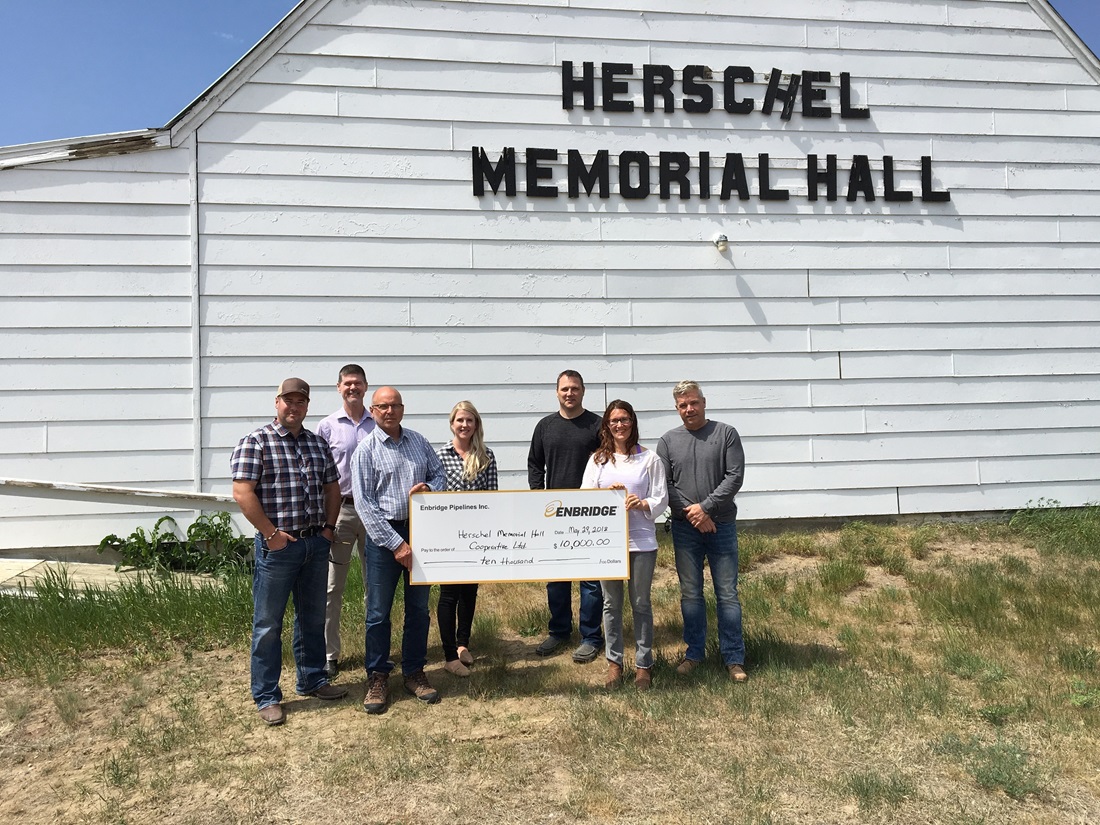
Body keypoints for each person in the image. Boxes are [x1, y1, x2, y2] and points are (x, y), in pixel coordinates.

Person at [231, 377, 348, 726]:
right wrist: (270, 534)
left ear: (307, 406)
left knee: (312, 617)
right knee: (268, 623)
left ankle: (312, 678)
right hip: (278, 548)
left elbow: (333, 487)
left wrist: (328, 529)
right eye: (288, 400)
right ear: (276, 402)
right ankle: (267, 695)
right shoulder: (257, 442)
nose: (293, 407)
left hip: (314, 542)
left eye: (300, 402)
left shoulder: (316, 443)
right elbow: (242, 493)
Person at [352, 386, 446, 714]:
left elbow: (440, 474)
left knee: (418, 609)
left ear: (402, 409)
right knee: (378, 613)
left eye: (394, 405)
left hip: (421, 532)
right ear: (373, 411)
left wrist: (430, 487)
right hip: (383, 539)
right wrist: (397, 544)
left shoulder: (419, 442)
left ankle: (414, 672)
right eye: (382, 406)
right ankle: (377, 676)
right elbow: (364, 504)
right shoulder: (365, 450)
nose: (389, 411)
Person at [656, 380, 748, 683]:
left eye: (693, 402)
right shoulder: (668, 441)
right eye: (683, 405)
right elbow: (665, 485)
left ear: (704, 402)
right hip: (685, 529)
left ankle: (734, 658)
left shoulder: (726, 434)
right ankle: (694, 653)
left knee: (727, 594)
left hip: (721, 525)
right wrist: (694, 515)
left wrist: (706, 508)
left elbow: (734, 477)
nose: (689, 409)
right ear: (676, 408)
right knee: (691, 595)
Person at [581, 400, 668, 690]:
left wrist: (642, 503)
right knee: (610, 604)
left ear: (633, 422)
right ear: (607, 425)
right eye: (614, 420)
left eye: (625, 419)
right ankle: (614, 663)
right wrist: (607, 495)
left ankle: (644, 665)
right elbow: (584, 496)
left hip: (641, 541)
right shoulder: (598, 461)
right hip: (608, 544)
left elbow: (660, 497)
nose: (620, 425)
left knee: (641, 603)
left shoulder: (650, 459)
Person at [527, 369, 603, 663]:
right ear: (556, 392)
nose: (569, 393)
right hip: (553, 513)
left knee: (590, 579)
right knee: (556, 577)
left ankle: (590, 636)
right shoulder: (545, 426)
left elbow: (608, 461)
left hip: (588, 512)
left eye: (574, 388)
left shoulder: (597, 425)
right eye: (564, 389)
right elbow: (535, 463)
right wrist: (538, 495)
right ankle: (559, 631)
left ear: (583, 391)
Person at [316, 364, 375, 680]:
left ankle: (375, 652)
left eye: (358, 383)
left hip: (374, 513)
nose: (353, 388)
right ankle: (329, 655)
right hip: (341, 512)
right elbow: (317, 473)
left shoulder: (377, 423)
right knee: (331, 587)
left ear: (366, 387)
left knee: (374, 585)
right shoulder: (327, 427)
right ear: (339, 388)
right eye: (347, 383)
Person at [436, 401, 498, 676]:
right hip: (447, 534)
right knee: (449, 593)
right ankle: (449, 652)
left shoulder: (486, 456)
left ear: (476, 425)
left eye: (470, 421)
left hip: (476, 534)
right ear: (452, 423)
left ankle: (463, 644)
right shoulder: (439, 456)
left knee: (469, 591)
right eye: (460, 420)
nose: (464, 425)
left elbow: (492, 496)